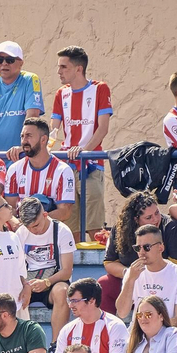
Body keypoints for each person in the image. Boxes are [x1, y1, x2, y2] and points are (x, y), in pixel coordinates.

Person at [48, 46, 111, 235]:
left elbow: (103, 128)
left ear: (78, 69)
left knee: (94, 227)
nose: (59, 71)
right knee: (70, 227)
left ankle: (100, 264)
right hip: (67, 166)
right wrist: (47, 150)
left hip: (90, 165)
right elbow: (53, 129)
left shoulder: (99, 88)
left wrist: (84, 151)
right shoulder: (61, 93)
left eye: (64, 67)